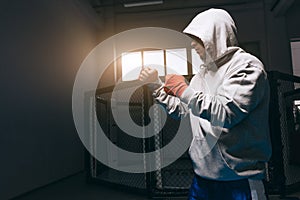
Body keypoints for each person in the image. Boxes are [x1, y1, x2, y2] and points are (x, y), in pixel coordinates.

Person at [139, 8, 272, 200]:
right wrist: (157, 86)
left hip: (239, 179)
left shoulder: (246, 66)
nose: (193, 44)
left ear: (215, 35)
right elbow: (182, 111)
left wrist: (182, 90)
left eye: (198, 38)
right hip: (202, 177)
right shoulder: (201, 75)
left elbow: (226, 113)